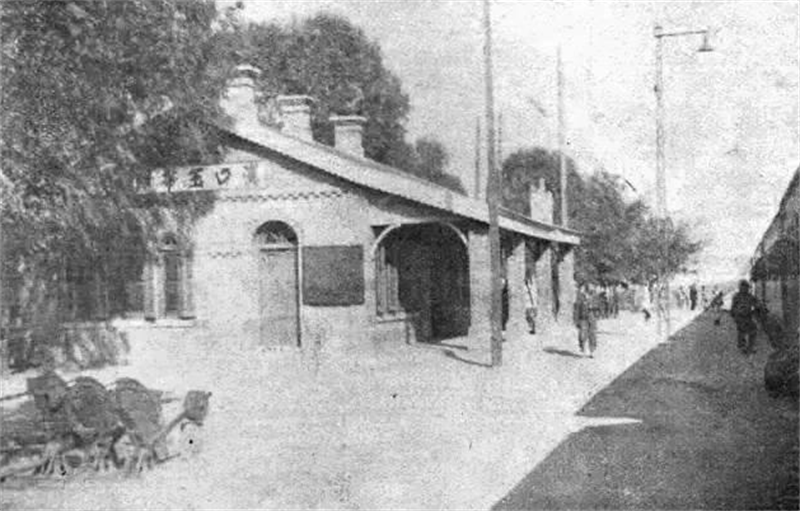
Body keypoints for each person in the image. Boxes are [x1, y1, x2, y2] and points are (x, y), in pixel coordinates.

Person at [730, 280, 760, 355]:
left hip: (747, 316)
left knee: (752, 330)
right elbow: (733, 307)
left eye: (746, 287)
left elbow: (756, 303)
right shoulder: (737, 296)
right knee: (743, 331)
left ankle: (748, 346)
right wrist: (734, 315)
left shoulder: (749, 296)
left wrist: (758, 306)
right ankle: (743, 347)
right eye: (743, 287)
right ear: (740, 287)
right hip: (740, 317)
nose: (745, 289)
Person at [574, 285, 599, 357]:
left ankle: (592, 350)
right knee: (582, 334)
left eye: (591, 290)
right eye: (588, 290)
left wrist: (594, 308)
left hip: (592, 317)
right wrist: (576, 320)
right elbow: (577, 309)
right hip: (583, 318)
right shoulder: (580, 298)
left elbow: (598, 307)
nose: (589, 291)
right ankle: (583, 348)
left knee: (592, 334)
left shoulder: (594, 297)